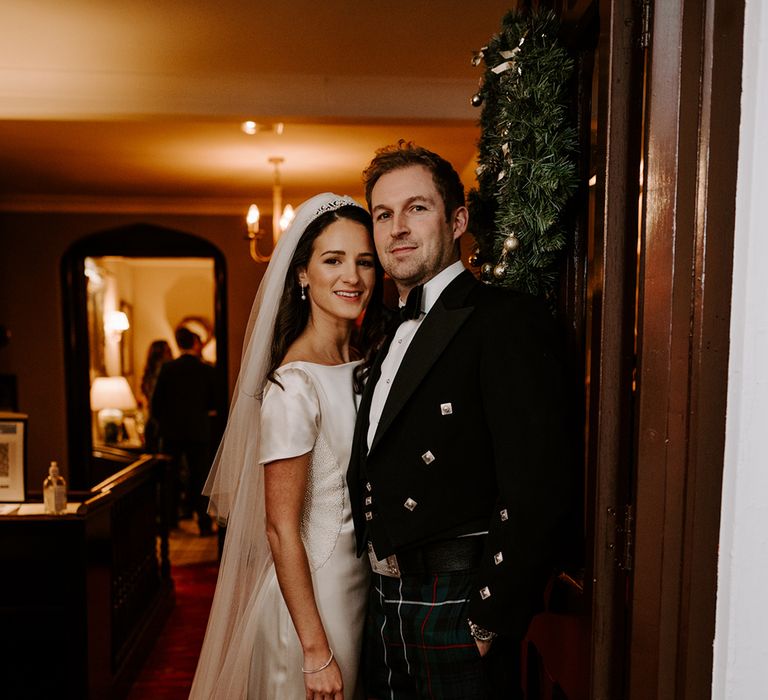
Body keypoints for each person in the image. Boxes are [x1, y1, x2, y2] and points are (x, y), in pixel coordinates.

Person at [346, 143, 571, 699]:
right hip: (383, 603)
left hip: (460, 602)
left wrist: (485, 620)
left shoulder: (506, 320)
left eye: (417, 208)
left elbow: (536, 483)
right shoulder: (380, 334)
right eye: (382, 214)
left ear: (458, 220)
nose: (397, 227)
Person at [189, 193, 386, 700]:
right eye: (333, 260)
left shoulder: (365, 361)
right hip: (313, 606)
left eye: (365, 261)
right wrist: (315, 650)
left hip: (363, 589)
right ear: (302, 274)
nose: (353, 277)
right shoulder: (294, 386)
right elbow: (279, 530)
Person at [152, 326, 217, 534]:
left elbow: (156, 403)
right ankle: (204, 525)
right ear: (196, 344)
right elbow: (213, 402)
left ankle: (169, 521)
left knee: (170, 477)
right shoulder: (206, 370)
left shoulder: (168, 369)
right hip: (198, 430)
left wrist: (163, 423)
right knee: (200, 477)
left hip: (171, 431)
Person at [140, 339, 173, 451]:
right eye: (168, 351)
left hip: (152, 421)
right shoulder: (164, 373)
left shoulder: (149, 374)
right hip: (162, 424)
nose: (171, 354)